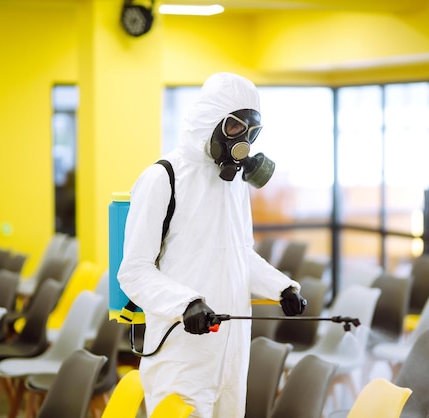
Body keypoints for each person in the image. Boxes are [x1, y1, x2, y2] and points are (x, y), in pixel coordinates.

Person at [117, 72, 306, 418]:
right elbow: (134, 270)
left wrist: (282, 288)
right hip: (181, 355)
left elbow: (239, 256)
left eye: (252, 132)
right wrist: (184, 303)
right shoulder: (164, 177)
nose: (243, 142)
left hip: (232, 357)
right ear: (210, 120)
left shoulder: (234, 186)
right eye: (235, 129)